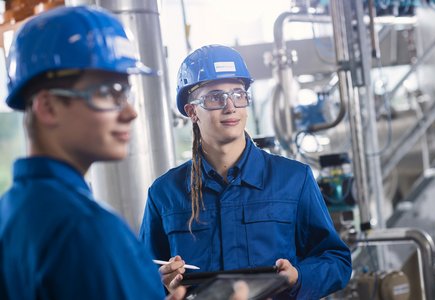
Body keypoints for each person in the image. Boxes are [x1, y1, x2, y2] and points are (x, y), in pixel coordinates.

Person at [0, 6, 186, 299]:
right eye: (108, 92)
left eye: (126, 92)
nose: (130, 112)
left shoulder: (11, 211)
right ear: (48, 107)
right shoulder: (86, 229)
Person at [139, 44, 352, 299]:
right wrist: (162, 283)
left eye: (238, 94)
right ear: (191, 111)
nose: (230, 107)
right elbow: (140, 278)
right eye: (215, 97)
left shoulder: (293, 180)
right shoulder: (165, 193)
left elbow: (337, 260)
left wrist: (298, 277)